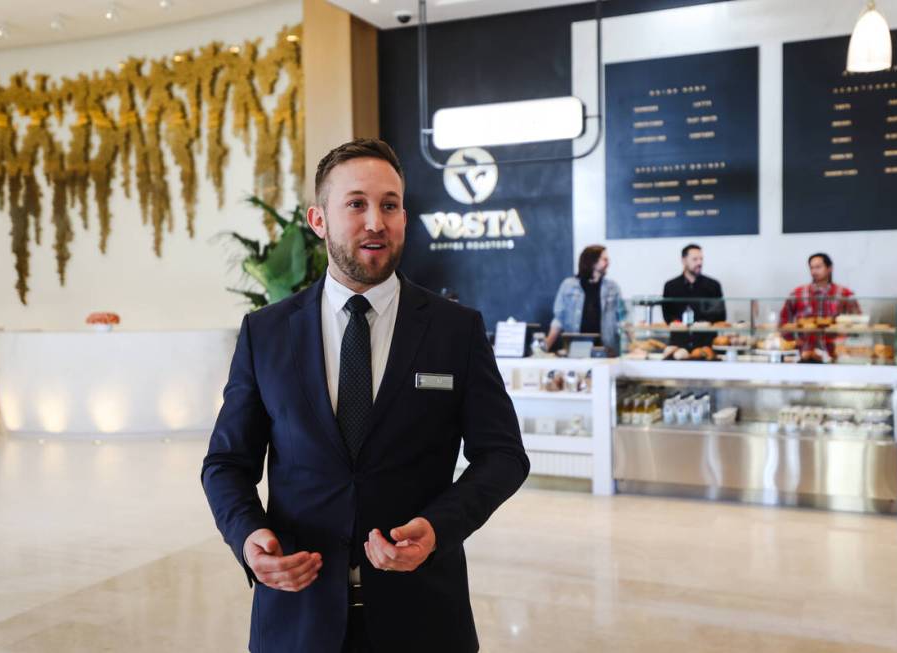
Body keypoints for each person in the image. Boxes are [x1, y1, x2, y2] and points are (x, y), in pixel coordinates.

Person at [202, 138, 530, 653]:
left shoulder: (455, 330)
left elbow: (504, 456)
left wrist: (438, 528)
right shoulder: (266, 333)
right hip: (297, 615)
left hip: (423, 615)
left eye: (390, 205)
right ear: (318, 220)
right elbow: (226, 462)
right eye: (356, 204)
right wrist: (248, 539)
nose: (376, 221)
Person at [544, 245, 627, 353]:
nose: (608, 263)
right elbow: (559, 320)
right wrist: (546, 346)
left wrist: (633, 346)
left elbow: (622, 319)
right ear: (592, 261)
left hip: (606, 349)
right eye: (604, 259)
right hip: (576, 349)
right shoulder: (568, 286)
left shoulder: (612, 287)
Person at [779, 253, 860, 353]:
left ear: (829, 268)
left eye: (818, 267)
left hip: (835, 353)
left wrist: (844, 340)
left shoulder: (845, 294)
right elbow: (784, 320)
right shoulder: (798, 293)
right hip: (803, 352)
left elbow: (858, 323)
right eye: (811, 268)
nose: (814, 271)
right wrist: (793, 341)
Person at [661, 244, 725, 348]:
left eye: (701, 259)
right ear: (684, 260)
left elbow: (720, 316)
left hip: (707, 345)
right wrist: (678, 323)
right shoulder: (671, 286)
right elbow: (668, 316)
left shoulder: (713, 285)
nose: (699, 263)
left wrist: (702, 324)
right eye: (695, 259)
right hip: (678, 344)